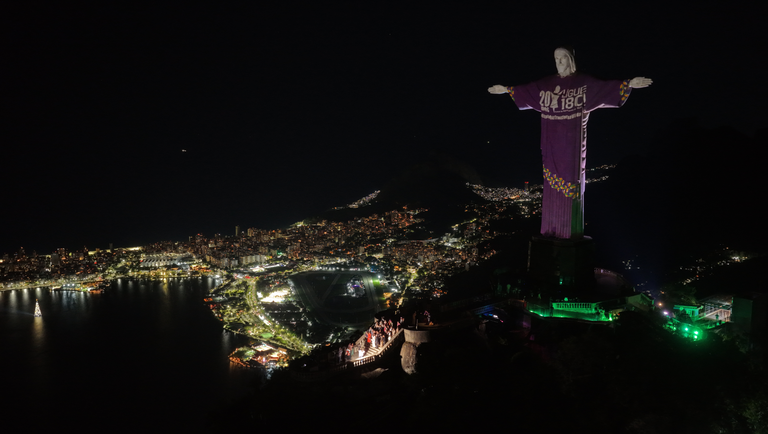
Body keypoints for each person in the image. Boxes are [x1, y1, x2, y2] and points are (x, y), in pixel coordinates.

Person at [488, 47, 652, 239]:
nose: (559, 62)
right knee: (550, 184)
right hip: (550, 144)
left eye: (562, 58)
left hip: (572, 145)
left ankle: (570, 232)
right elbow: (528, 90)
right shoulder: (547, 84)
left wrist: (629, 84)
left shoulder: (583, 83)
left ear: (570, 59)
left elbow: (604, 88)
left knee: (572, 183)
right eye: (556, 58)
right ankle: (550, 231)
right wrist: (506, 89)